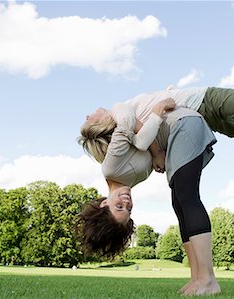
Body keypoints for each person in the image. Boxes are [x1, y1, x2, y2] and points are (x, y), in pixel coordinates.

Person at [80, 86, 234, 230]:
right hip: (200, 100)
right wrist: (159, 117)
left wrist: (166, 97)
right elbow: (142, 136)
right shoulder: (118, 110)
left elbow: (143, 137)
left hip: (194, 112)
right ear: (98, 126)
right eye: (127, 209)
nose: (87, 115)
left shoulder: (128, 142)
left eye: (120, 207)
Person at [79, 99, 221, 296]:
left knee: (185, 195)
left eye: (119, 206)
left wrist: (156, 150)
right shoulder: (130, 181)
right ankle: (196, 278)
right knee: (178, 202)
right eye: (128, 210)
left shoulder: (110, 167)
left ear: (104, 203)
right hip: (178, 135)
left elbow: (127, 123)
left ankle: (207, 279)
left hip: (183, 125)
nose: (127, 203)